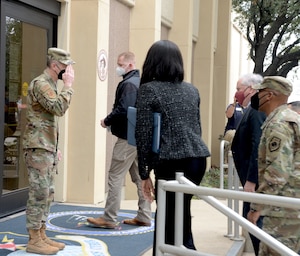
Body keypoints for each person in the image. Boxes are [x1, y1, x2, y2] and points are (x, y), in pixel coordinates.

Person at [135, 40, 210, 255]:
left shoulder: (149, 90)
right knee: (181, 211)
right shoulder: (192, 90)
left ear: (151, 62)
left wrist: (143, 173)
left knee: (168, 214)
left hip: (171, 162)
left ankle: (174, 251)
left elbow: (143, 134)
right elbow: (197, 127)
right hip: (197, 160)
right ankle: (186, 248)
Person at [87, 52, 152, 229]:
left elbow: (124, 109)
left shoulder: (129, 85)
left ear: (130, 65)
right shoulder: (141, 82)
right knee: (141, 177)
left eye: (120, 64)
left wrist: (106, 120)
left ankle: (109, 218)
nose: (118, 67)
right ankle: (144, 215)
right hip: (140, 138)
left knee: (115, 176)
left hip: (128, 138)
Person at [23, 47, 75, 254]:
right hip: (38, 148)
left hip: (45, 147)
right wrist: (69, 86)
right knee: (39, 193)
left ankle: (41, 234)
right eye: (66, 67)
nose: (68, 71)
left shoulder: (51, 84)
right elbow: (58, 108)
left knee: (47, 193)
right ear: (55, 66)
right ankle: (34, 239)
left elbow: (48, 119)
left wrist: (55, 148)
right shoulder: (41, 84)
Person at [247, 76, 300, 255]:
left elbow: (277, 173)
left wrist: (256, 207)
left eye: (259, 92)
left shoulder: (279, 124)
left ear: (269, 95)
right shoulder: (288, 118)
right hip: (290, 207)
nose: (255, 95)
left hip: (283, 213)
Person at [231, 73, 265, 256]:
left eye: (238, 89)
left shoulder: (258, 110)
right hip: (249, 180)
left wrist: (251, 180)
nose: (236, 94)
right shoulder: (251, 109)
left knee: (256, 224)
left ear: (251, 89)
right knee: (251, 223)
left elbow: (258, 146)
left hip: (255, 183)